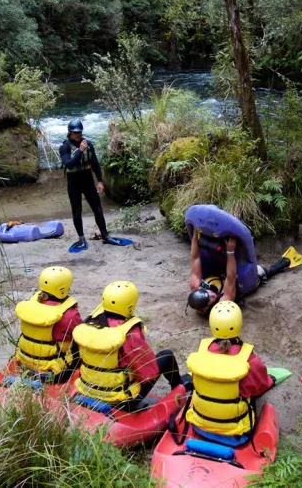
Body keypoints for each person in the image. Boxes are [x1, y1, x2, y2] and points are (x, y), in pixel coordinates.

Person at [72, 281, 186, 410]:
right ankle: (180, 390)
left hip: (88, 391)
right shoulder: (130, 333)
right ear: (131, 305)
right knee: (166, 357)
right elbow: (148, 372)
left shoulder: (88, 323)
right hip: (121, 402)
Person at [183, 301, 274, 443]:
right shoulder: (248, 358)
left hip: (200, 425)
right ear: (239, 324)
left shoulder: (202, 351)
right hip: (236, 432)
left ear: (212, 325)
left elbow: (196, 381)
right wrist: (270, 380)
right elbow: (259, 386)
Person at [187, 233, 302, 316]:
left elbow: (195, 258)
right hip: (240, 285)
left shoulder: (195, 286)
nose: (212, 295)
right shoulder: (223, 302)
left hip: (219, 276)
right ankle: (284, 263)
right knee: (260, 271)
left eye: (208, 293)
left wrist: (195, 236)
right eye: (211, 299)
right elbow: (231, 277)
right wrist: (230, 251)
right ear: (207, 307)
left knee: (212, 263)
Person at [59, 118, 121, 253]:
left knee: (98, 208)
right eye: (75, 133)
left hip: (87, 180)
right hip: (73, 182)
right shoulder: (64, 147)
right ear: (70, 132)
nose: (78, 135)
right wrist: (80, 151)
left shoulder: (88, 144)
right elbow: (69, 164)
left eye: (79, 132)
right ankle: (81, 238)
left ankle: (105, 235)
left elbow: (95, 164)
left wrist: (99, 181)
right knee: (77, 211)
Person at [13, 266, 83, 384]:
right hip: (53, 373)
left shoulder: (31, 304)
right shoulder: (69, 315)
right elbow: (81, 337)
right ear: (64, 288)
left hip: (24, 365)